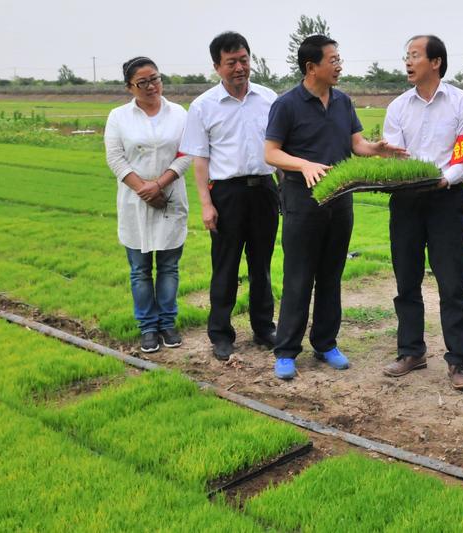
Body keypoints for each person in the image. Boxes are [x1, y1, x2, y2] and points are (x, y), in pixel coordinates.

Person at [264, 35, 406, 380]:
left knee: (331, 274)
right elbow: (271, 153)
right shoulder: (286, 104)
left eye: (339, 59)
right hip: (303, 200)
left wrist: (376, 149)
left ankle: (326, 343)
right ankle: (286, 351)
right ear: (311, 67)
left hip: (341, 198)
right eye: (333, 60)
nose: (339, 66)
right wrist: (304, 165)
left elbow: (356, 144)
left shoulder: (343, 101)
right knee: (299, 276)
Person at [381, 35, 463, 390]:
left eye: (415, 56)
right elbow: (396, 155)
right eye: (406, 56)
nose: (408, 62)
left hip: (446, 200)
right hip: (406, 201)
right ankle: (411, 351)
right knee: (406, 279)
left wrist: (444, 180)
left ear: (436, 62)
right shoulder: (398, 107)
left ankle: (458, 360)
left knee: (452, 282)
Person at [180, 32, 279, 361]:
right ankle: (221, 334)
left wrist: (284, 190)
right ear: (217, 67)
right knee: (225, 266)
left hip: (264, 189)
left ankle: (264, 327)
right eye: (231, 62)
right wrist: (206, 205)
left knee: (262, 264)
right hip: (226, 193)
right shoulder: (203, 106)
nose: (239, 68)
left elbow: (279, 148)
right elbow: (200, 160)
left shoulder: (268, 98)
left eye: (244, 60)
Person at [104, 56, 191, 353]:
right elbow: (115, 158)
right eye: (143, 82)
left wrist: (159, 184)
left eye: (155, 79)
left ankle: (167, 323)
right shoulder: (119, 116)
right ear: (130, 87)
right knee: (140, 270)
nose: (151, 86)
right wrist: (144, 188)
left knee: (169, 267)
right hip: (135, 200)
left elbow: (187, 153)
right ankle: (148, 327)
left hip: (170, 197)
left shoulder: (178, 113)